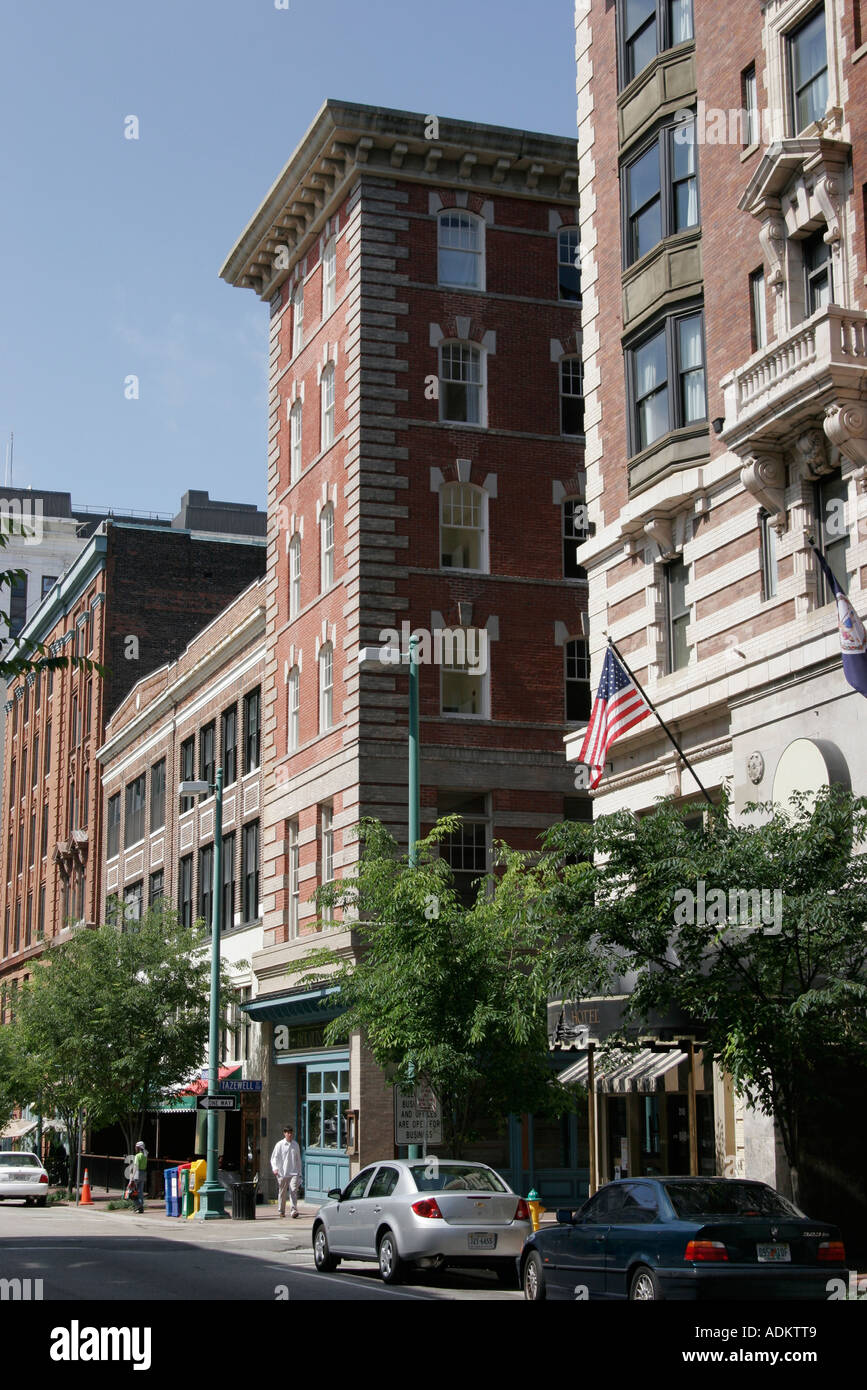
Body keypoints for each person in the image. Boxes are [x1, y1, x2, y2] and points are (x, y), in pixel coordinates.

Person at [270, 1125, 303, 1218]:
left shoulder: (295, 1145)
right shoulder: (279, 1145)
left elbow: (298, 1159)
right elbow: (274, 1158)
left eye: (291, 1133)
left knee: (293, 1190)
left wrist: (299, 1172)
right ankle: (281, 1210)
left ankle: (293, 1210)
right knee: (282, 1192)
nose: (289, 1134)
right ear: (284, 1134)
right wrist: (275, 1168)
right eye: (287, 1133)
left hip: (293, 1172)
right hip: (282, 1173)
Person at [132, 1140, 148, 1214]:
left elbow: (135, 1166)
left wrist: (132, 1177)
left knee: (132, 1191)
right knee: (140, 1191)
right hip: (143, 1173)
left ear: (139, 1148)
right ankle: (141, 1207)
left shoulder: (137, 1156)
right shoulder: (145, 1155)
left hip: (137, 1173)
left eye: (136, 1147)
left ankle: (138, 1206)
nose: (135, 1148)